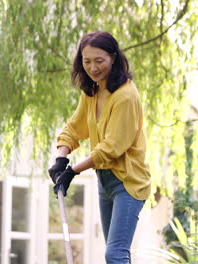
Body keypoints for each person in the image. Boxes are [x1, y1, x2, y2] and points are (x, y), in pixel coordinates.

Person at [48, 31, 151, 264]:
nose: (93, 68)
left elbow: (111, 148)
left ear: (113, 58)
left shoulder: (125, 96)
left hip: (128, 182)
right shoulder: (92, 92)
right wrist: (61, 159)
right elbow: (73, 128)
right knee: (116, 253)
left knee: (114, 254)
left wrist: (73, 171)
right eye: (87, 61)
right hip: (105, 180)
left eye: (99, 61)